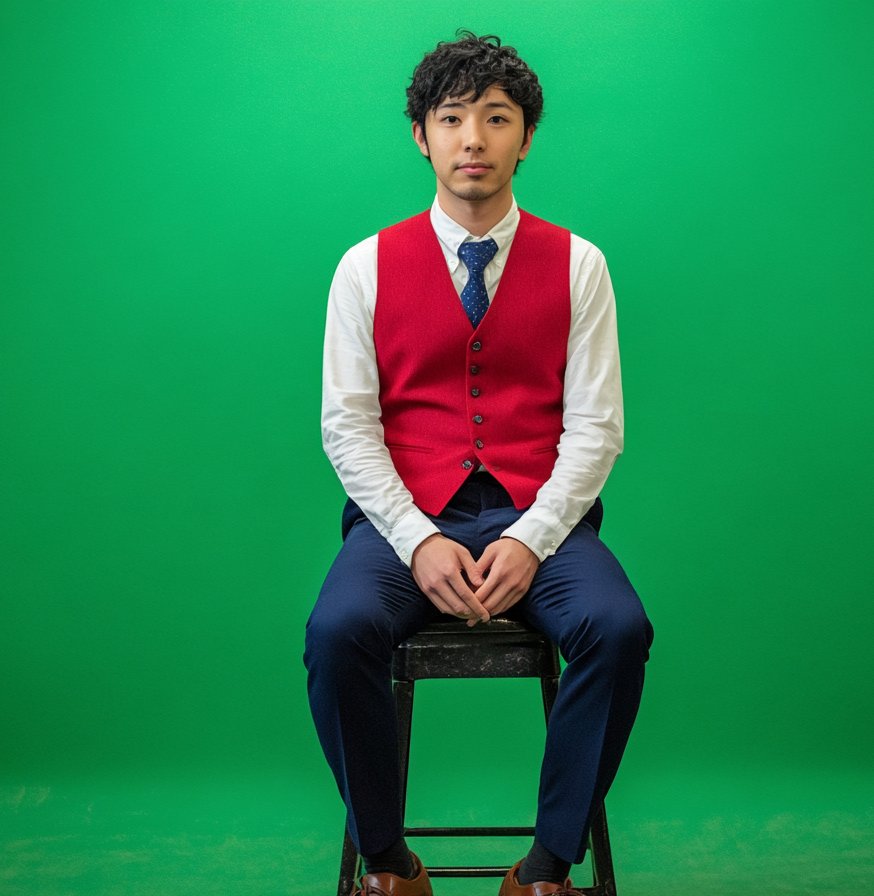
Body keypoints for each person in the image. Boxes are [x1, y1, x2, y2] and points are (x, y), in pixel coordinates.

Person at [304, 31, 653, 896]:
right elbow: (348, 428)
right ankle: (387, 860)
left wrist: (533, 539)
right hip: (404, 522)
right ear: (421, 134)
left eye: (495, 119)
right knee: (335, 633)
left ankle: (545, 867)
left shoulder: (580, 265)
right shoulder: (364, 268)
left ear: (524, 137)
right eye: (451, 118)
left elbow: (597, 427)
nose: (473, 139)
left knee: (619, 630)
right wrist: (419, 539)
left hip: (542, 520)